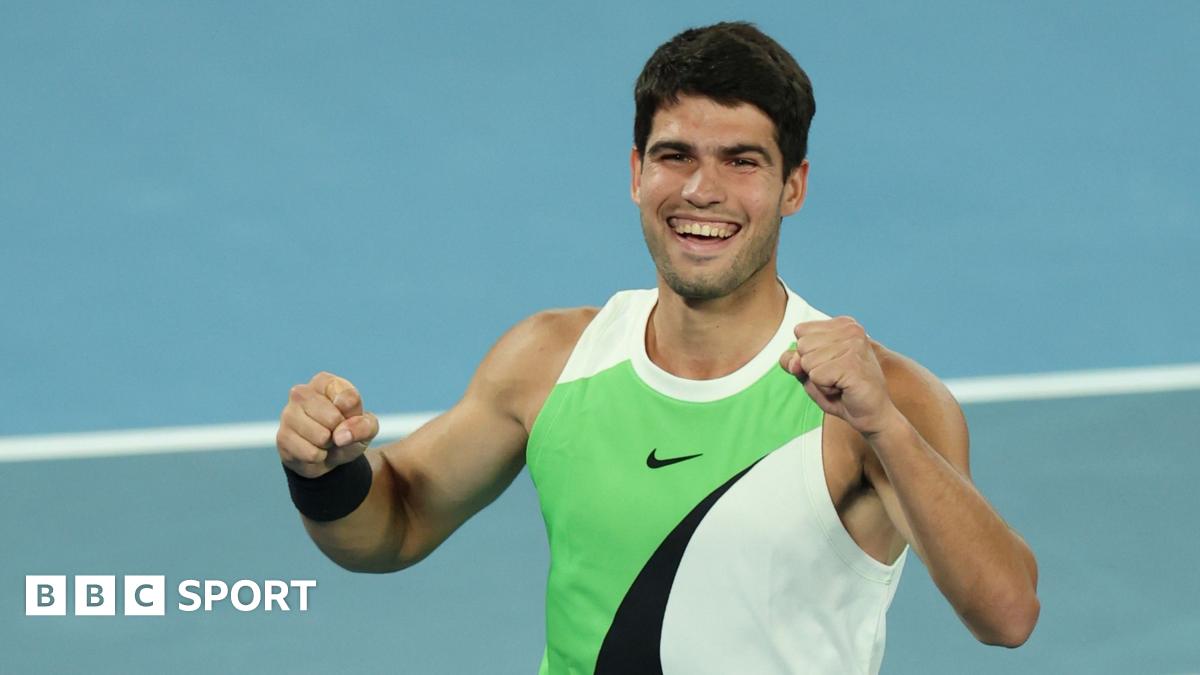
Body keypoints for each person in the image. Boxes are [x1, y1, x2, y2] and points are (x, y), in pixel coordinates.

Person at [275, 21, 1039, 674]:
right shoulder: (549, 359)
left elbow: (1006, 613)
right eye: (676, 156)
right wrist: (325, 472)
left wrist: (885, 430)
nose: (702, 190)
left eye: (742, 161)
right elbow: (394, 523)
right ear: (637, 173)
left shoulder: (881, 398)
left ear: (793, 187)